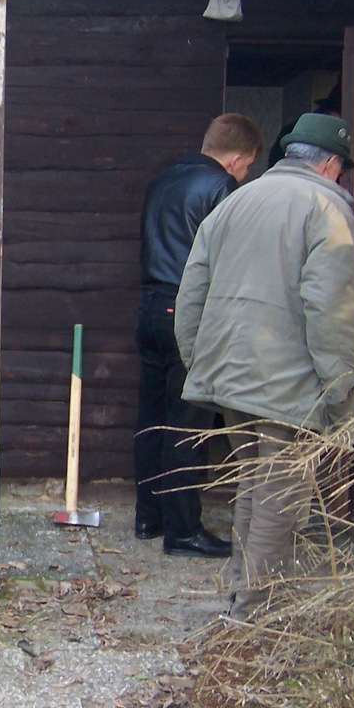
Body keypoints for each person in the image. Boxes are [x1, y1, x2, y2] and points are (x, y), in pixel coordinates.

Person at [174, 112, 354, 619]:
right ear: (330, 164)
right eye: (341, 169)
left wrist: (199, 361)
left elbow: (191, 292)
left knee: (254, 484)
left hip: (230, 376)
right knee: (281, 497)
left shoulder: (236, 201)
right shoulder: (327, 209)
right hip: (290, 383)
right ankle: (254, 615)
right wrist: (343, 389)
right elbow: (332, 310)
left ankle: (240, 591)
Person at [134, 114, 263, 558]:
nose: (245, 175)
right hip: (187, 312)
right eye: (247, 167)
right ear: (237, 158)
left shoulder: (163, 179)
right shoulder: (220, 188)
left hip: (149, 305)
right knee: (187, 426)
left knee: (151, 418)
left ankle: (148, 516)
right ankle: (183, 531)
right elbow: (230, 261)